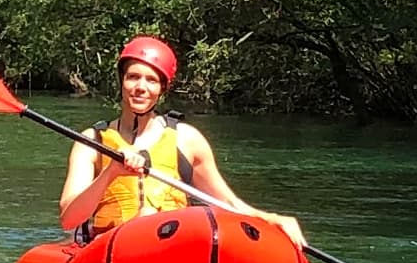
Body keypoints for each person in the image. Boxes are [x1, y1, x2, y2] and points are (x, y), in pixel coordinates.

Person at [57, 35, 300, 243]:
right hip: (110, 246)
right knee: (145, 214)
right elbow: (69, 219)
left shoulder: (186, 139)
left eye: (152, 80)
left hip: (169, 244)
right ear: (122, 81)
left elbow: (228, 203)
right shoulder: (92, 141)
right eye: (133, 77)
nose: (141, 87)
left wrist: (272, 219)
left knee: (150, 214)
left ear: (162, 89)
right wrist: (110, 173)